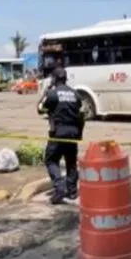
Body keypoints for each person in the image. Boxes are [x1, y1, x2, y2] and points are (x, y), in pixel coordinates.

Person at [36, 68, 84, 205]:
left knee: (51, 160)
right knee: (71, 162)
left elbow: (40, 109)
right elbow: (80, 111)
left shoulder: (52, 94)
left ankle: (59, 188)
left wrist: (46, 92)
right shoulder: (75, 93)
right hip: (73, 134)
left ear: (54, 79)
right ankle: (72, 191)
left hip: (58, 133)